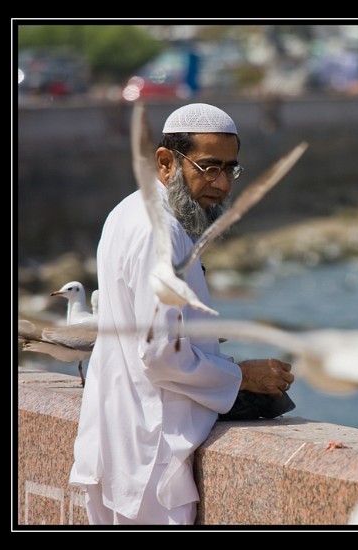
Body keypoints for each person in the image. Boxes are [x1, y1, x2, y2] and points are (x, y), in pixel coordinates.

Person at [69, 103, 296, 525]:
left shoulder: (128, 211)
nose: (222, 184)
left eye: (231, 169)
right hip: (153, 457)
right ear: (166, 161)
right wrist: (243, 375)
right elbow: (160, 355)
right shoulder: (164, 235)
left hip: (118, 440)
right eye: (209, 168)